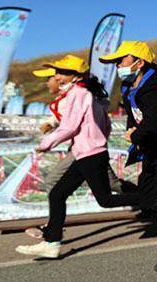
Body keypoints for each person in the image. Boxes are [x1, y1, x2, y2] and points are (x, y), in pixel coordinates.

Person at [15, 55, 135, 259]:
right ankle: (52, 242)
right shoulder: (88, 94)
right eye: (58, 73)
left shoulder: (78, 93)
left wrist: (46, 144)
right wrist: (95, 141)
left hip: (89, 153)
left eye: (63, 72)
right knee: (57, 194)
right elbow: (104, 126)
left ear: (75, 75)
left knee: (105, 200)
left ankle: (156, 198)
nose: (58, 76)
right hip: (88, 152)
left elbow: (70, 126)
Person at [99, 41, 157, 271]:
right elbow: (135, 117)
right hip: (152, 149)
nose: (117, 65)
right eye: (115, 62)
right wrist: (135, 133)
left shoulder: (153, 88)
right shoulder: (128, 87)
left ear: (139, 63)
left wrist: (137, 136)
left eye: (121, 60)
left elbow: (156, 124)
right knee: (147, 198)